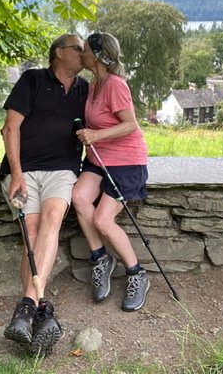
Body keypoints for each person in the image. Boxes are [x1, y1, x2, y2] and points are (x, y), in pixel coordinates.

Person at [0, 33, 88, 355]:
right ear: (59, 53)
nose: (84, 54)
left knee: (50, 221)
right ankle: (39, 309)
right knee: (30, 233)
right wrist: (17, 175)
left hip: (63, 170)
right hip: (22, 172)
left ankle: (27, 306)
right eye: (78, 49)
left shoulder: (84, 89)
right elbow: (10, 127)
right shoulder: (32, 80)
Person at [72, 31, 150, 312]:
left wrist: (94, 136)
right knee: (79, 197)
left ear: (97, 54)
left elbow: (131, 125)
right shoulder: (94, 84)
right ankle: (101, 259)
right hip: (98, 159)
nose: (81, 53)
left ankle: (136, 273)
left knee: (104, 221)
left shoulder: (115, 85)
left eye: (85, 49)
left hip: (126, 163)